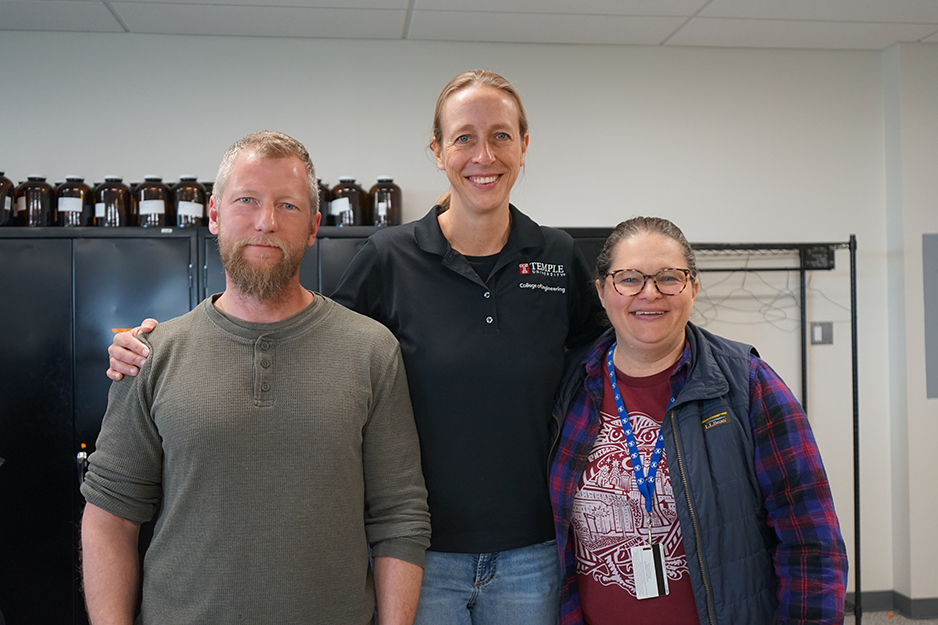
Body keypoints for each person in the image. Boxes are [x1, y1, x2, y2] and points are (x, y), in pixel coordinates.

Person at [106, 71, 603, 625]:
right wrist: (170, 345)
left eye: (502, 136)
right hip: (421, 554)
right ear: (437, 151)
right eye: (463, 137)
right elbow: (313, 341)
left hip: (532, 549)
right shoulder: (390, 257)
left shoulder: (558, 257)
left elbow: (603, 360)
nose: (483, 154)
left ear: (524, 145)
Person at [81, 130, 431, 624]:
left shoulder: (371, 350)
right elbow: (110, 519)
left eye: (287, 206)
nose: (266, 222)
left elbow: (399, 516)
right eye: (247, 200)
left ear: (313, 227)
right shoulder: (151, 354)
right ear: (215, 215)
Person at [549, 216, 849, 625]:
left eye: (669, 277)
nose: (650, 293)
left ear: (693, 287)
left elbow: (811, 543)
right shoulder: (571, 386)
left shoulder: (749, 385)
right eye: (630, 278)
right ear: (602, 291)